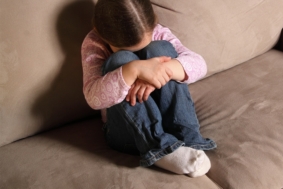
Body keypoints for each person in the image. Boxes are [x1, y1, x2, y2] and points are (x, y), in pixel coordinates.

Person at [81, 0, 216, 177]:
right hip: (129, 132)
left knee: (162, 49)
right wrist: (133, 70)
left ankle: (188, 138)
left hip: (169, 119)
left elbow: (199, 65)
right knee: (119, 60)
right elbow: (93, 98)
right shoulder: (94, 44)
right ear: (99, 32)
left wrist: (158, 72)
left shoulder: (159, 33)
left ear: (153, 23)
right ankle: (158, 147)